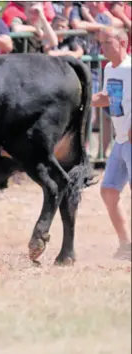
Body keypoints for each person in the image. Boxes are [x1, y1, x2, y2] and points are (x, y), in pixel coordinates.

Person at [92, 27, 131, 261]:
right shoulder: (109, 68)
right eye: (101, 43)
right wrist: (84, 100)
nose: (102, 48)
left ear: (123, 43)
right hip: (121, 139)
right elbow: (107, 96)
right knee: (108, 191)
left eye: (107, 42)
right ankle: (126, 245)